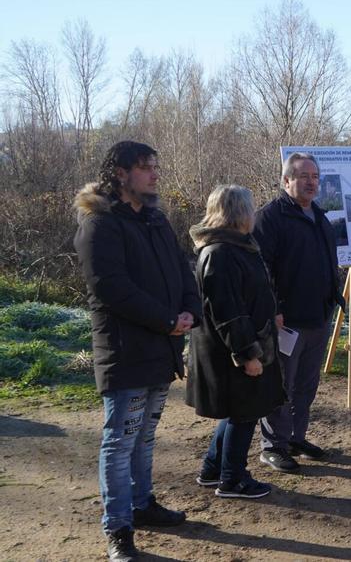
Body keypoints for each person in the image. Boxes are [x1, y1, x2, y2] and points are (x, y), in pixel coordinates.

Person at [74, 141, 202, 562]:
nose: (154, 173)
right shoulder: (101, 223)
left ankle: (143, 505)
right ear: (121, 173)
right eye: (146, 167)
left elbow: (184, 271)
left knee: (144, 437)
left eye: (155, 166)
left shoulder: (156, 220)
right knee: (120, 441)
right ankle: (118, 527)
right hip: (126, 352)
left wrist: (189, 311)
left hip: (162, 349)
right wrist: (167, 320)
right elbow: (111, 288)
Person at [187, 185, 286, 499]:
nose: (254, 214)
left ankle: (213, 468)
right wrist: (247, 354)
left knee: (239, 411)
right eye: (250, 208)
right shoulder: (221, 253)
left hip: (241, 345)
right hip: (233, 351)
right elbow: (229, 311)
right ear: (238, 213)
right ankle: (233, 478)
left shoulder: (236, 247)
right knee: (244, 411)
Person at [253, 152, 344, 473]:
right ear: (286, 180)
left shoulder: (319, 216)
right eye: (304, 176)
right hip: (285, 322)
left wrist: (334, 298)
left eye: (315, 177)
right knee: (281, 385)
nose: (311, 182)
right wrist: (273, 308)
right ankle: (272, 446)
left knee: (306, 386)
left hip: (318, 317)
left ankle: (295, 438)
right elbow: (259, 269)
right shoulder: (271, 218)